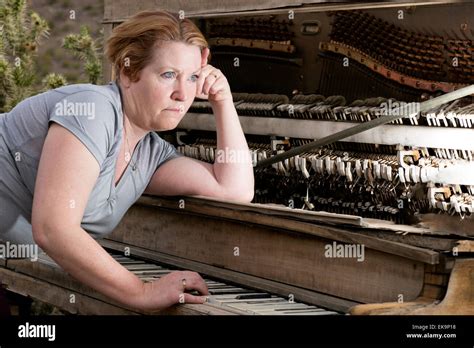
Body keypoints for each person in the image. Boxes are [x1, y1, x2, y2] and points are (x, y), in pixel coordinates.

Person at [0, 10, 254, 311]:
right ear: (127, 73)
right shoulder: (93, 110)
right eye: (168, 75)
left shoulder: (148, 152)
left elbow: (234, 189)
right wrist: (141, 292)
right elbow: (53, 229)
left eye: (193, 77)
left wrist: (222, 100)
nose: (182, 94)